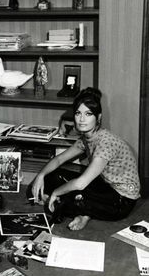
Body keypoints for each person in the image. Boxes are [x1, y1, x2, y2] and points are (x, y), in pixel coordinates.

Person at [27, 87, 140, 230]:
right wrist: (41, 175)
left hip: (122, 199)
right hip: (106, 186)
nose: (81, 119)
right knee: (54, 176)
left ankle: (82, 213)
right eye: (78, 113)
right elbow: (58, 160)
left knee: (72, 196)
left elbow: (80, 183)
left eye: (88, 114)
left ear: (98, 117)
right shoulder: (87, 137)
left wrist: (56, 192)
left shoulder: (105, 143)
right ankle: (75, 206)